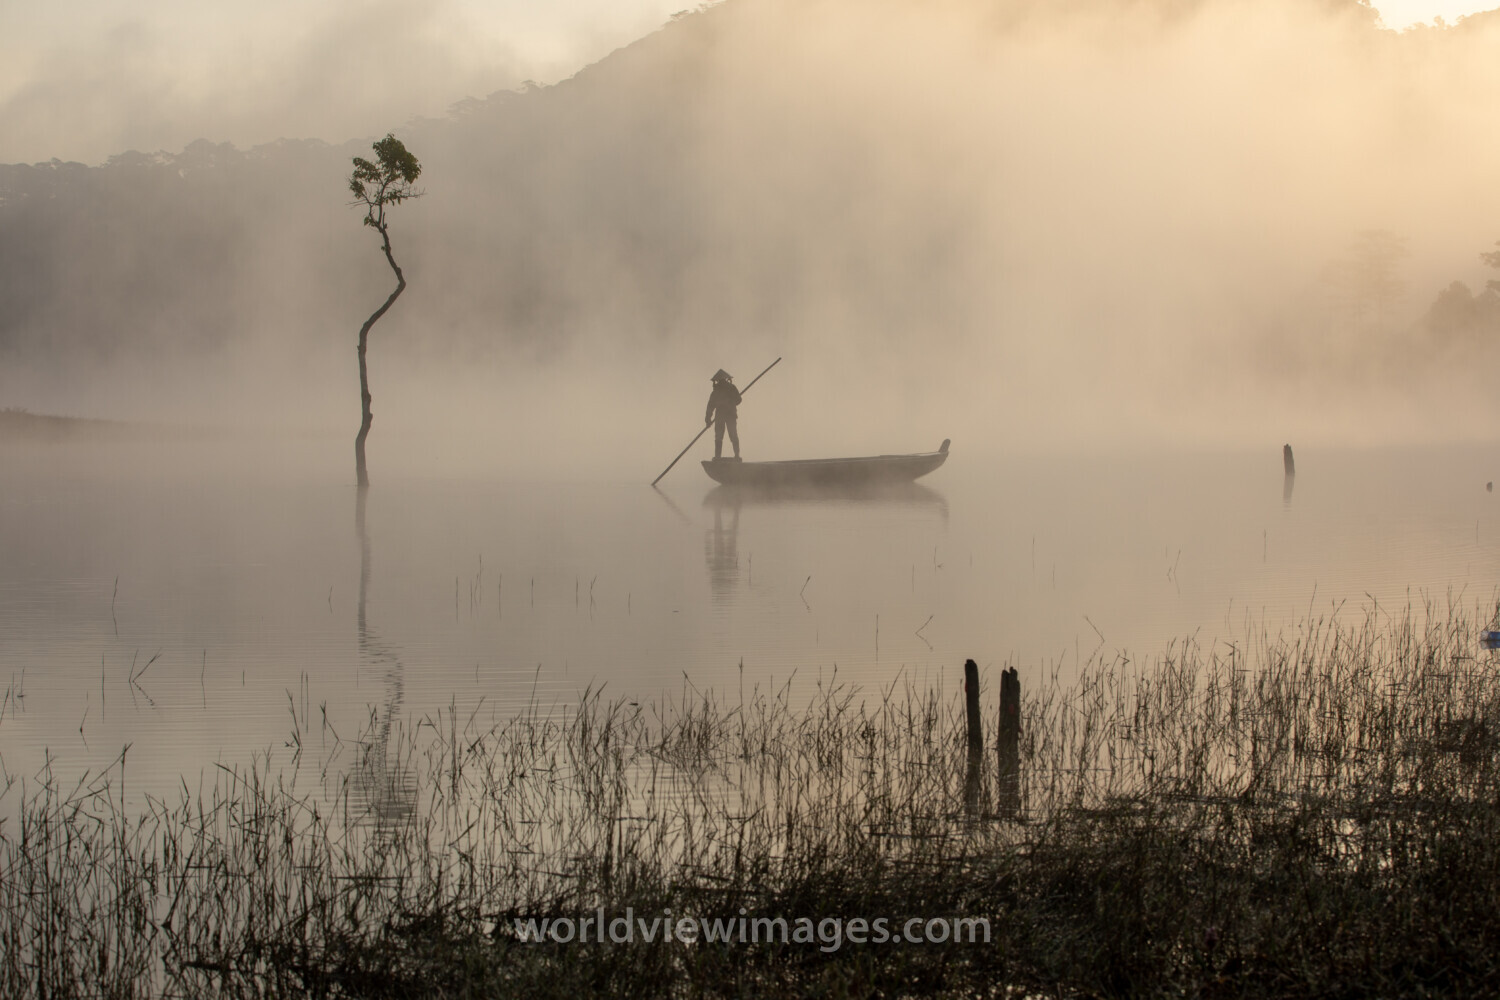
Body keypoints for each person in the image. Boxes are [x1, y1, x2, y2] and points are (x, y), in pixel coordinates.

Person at [705, 369, 742, 460]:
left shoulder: (722, 390)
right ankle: (733, 456)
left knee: (725, 436)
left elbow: (738, 400)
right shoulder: (728, 389)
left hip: (728, 415)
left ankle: (734, 456)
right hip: (724, 416)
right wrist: (708, 420)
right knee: (726, 435)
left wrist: (708, 419)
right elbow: (738, 400)